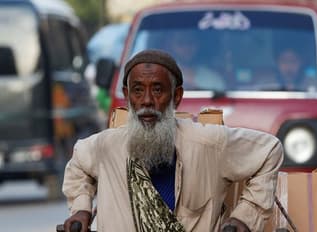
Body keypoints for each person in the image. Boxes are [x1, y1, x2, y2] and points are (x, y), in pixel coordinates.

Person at [62, 49, 284, 232]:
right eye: (138, 91)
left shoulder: (208, 142)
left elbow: (270, 150)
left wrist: (245, 218)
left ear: (176, 97)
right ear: (127, 96)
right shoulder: (106, 146)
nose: (147, 101)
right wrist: (81, 207)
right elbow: (78, 164)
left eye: (158, 90)